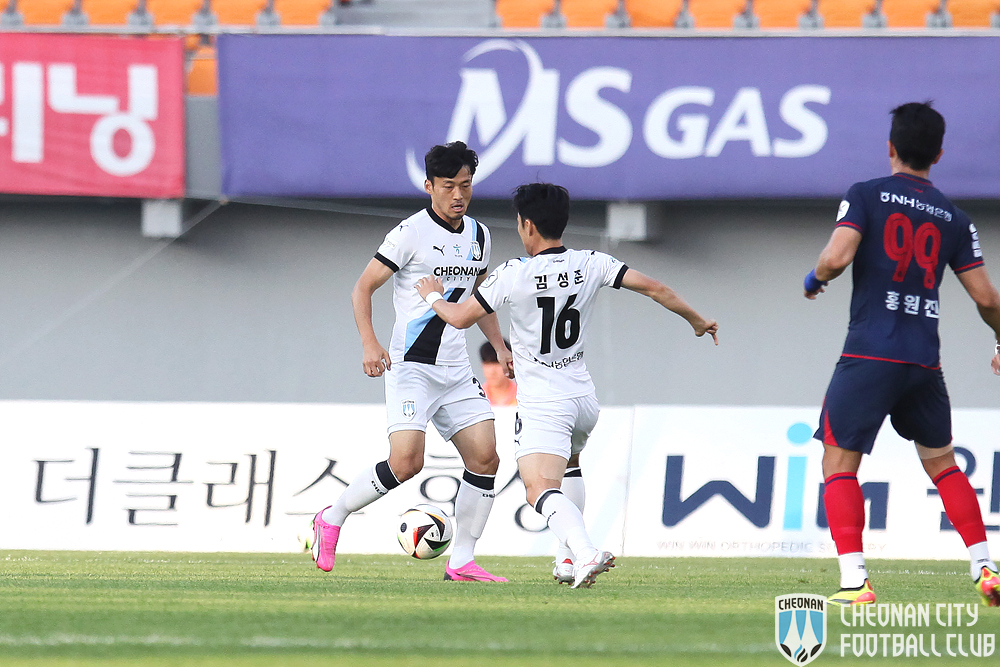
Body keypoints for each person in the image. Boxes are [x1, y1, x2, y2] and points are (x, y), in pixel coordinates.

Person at [416, 183, 718, 588]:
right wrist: (697, 320)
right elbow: (655, 288)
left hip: (545, 403)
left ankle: (586, 551)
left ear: (527, 225)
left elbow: (457, 318)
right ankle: (566, 561)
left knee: (538, 489)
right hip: (583, 399)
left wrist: (433, 297)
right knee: (571, 467)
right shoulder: (592, 262)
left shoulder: (513, 273)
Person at [804, 102, 1000, 607]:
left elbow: (836, 257)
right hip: (924, 362)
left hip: (870, 356)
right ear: (939, 154)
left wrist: (815, 278)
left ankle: (855, 583)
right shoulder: (954, 217)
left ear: (890, 147)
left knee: (839, 464)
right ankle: (984, 566)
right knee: (943, 463)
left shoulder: (866, 194)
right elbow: (987, 298)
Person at [312, 141, 513, 583]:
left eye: (465, 185)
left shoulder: (480, 235)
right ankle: (332, 516)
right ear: (429, 186)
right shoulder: (410, 233)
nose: (458, 194)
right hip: (412, 368)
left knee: (486, 458)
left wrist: (500, 347)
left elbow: (481, 300)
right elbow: (362, 288)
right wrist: (369, 342)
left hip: (456, 370)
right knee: (406, 463)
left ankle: (461, 562)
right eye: (448, 185)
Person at [479, 341, 517, 406]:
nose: (492, 371)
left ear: (510, 364)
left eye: (497, 363)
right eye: (488, 363)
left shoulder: (522, 397)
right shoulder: (477, 398)